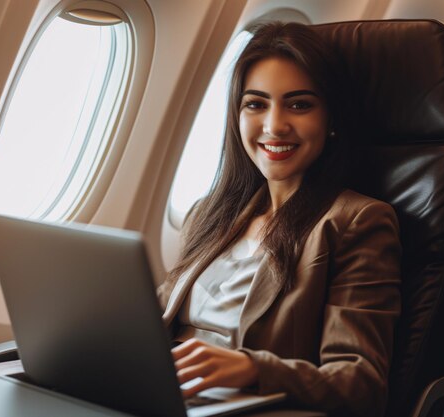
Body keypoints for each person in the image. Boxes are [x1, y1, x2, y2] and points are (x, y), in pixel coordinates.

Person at [158, 21, 401, 417]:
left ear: (331, 119)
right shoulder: (211, 213)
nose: (274, 125)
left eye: (299, 104)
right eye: (255, 104)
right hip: (171, 394)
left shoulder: (356, 222)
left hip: (244, 406)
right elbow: (158, 314)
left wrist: (253, 368)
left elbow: (361, 382)